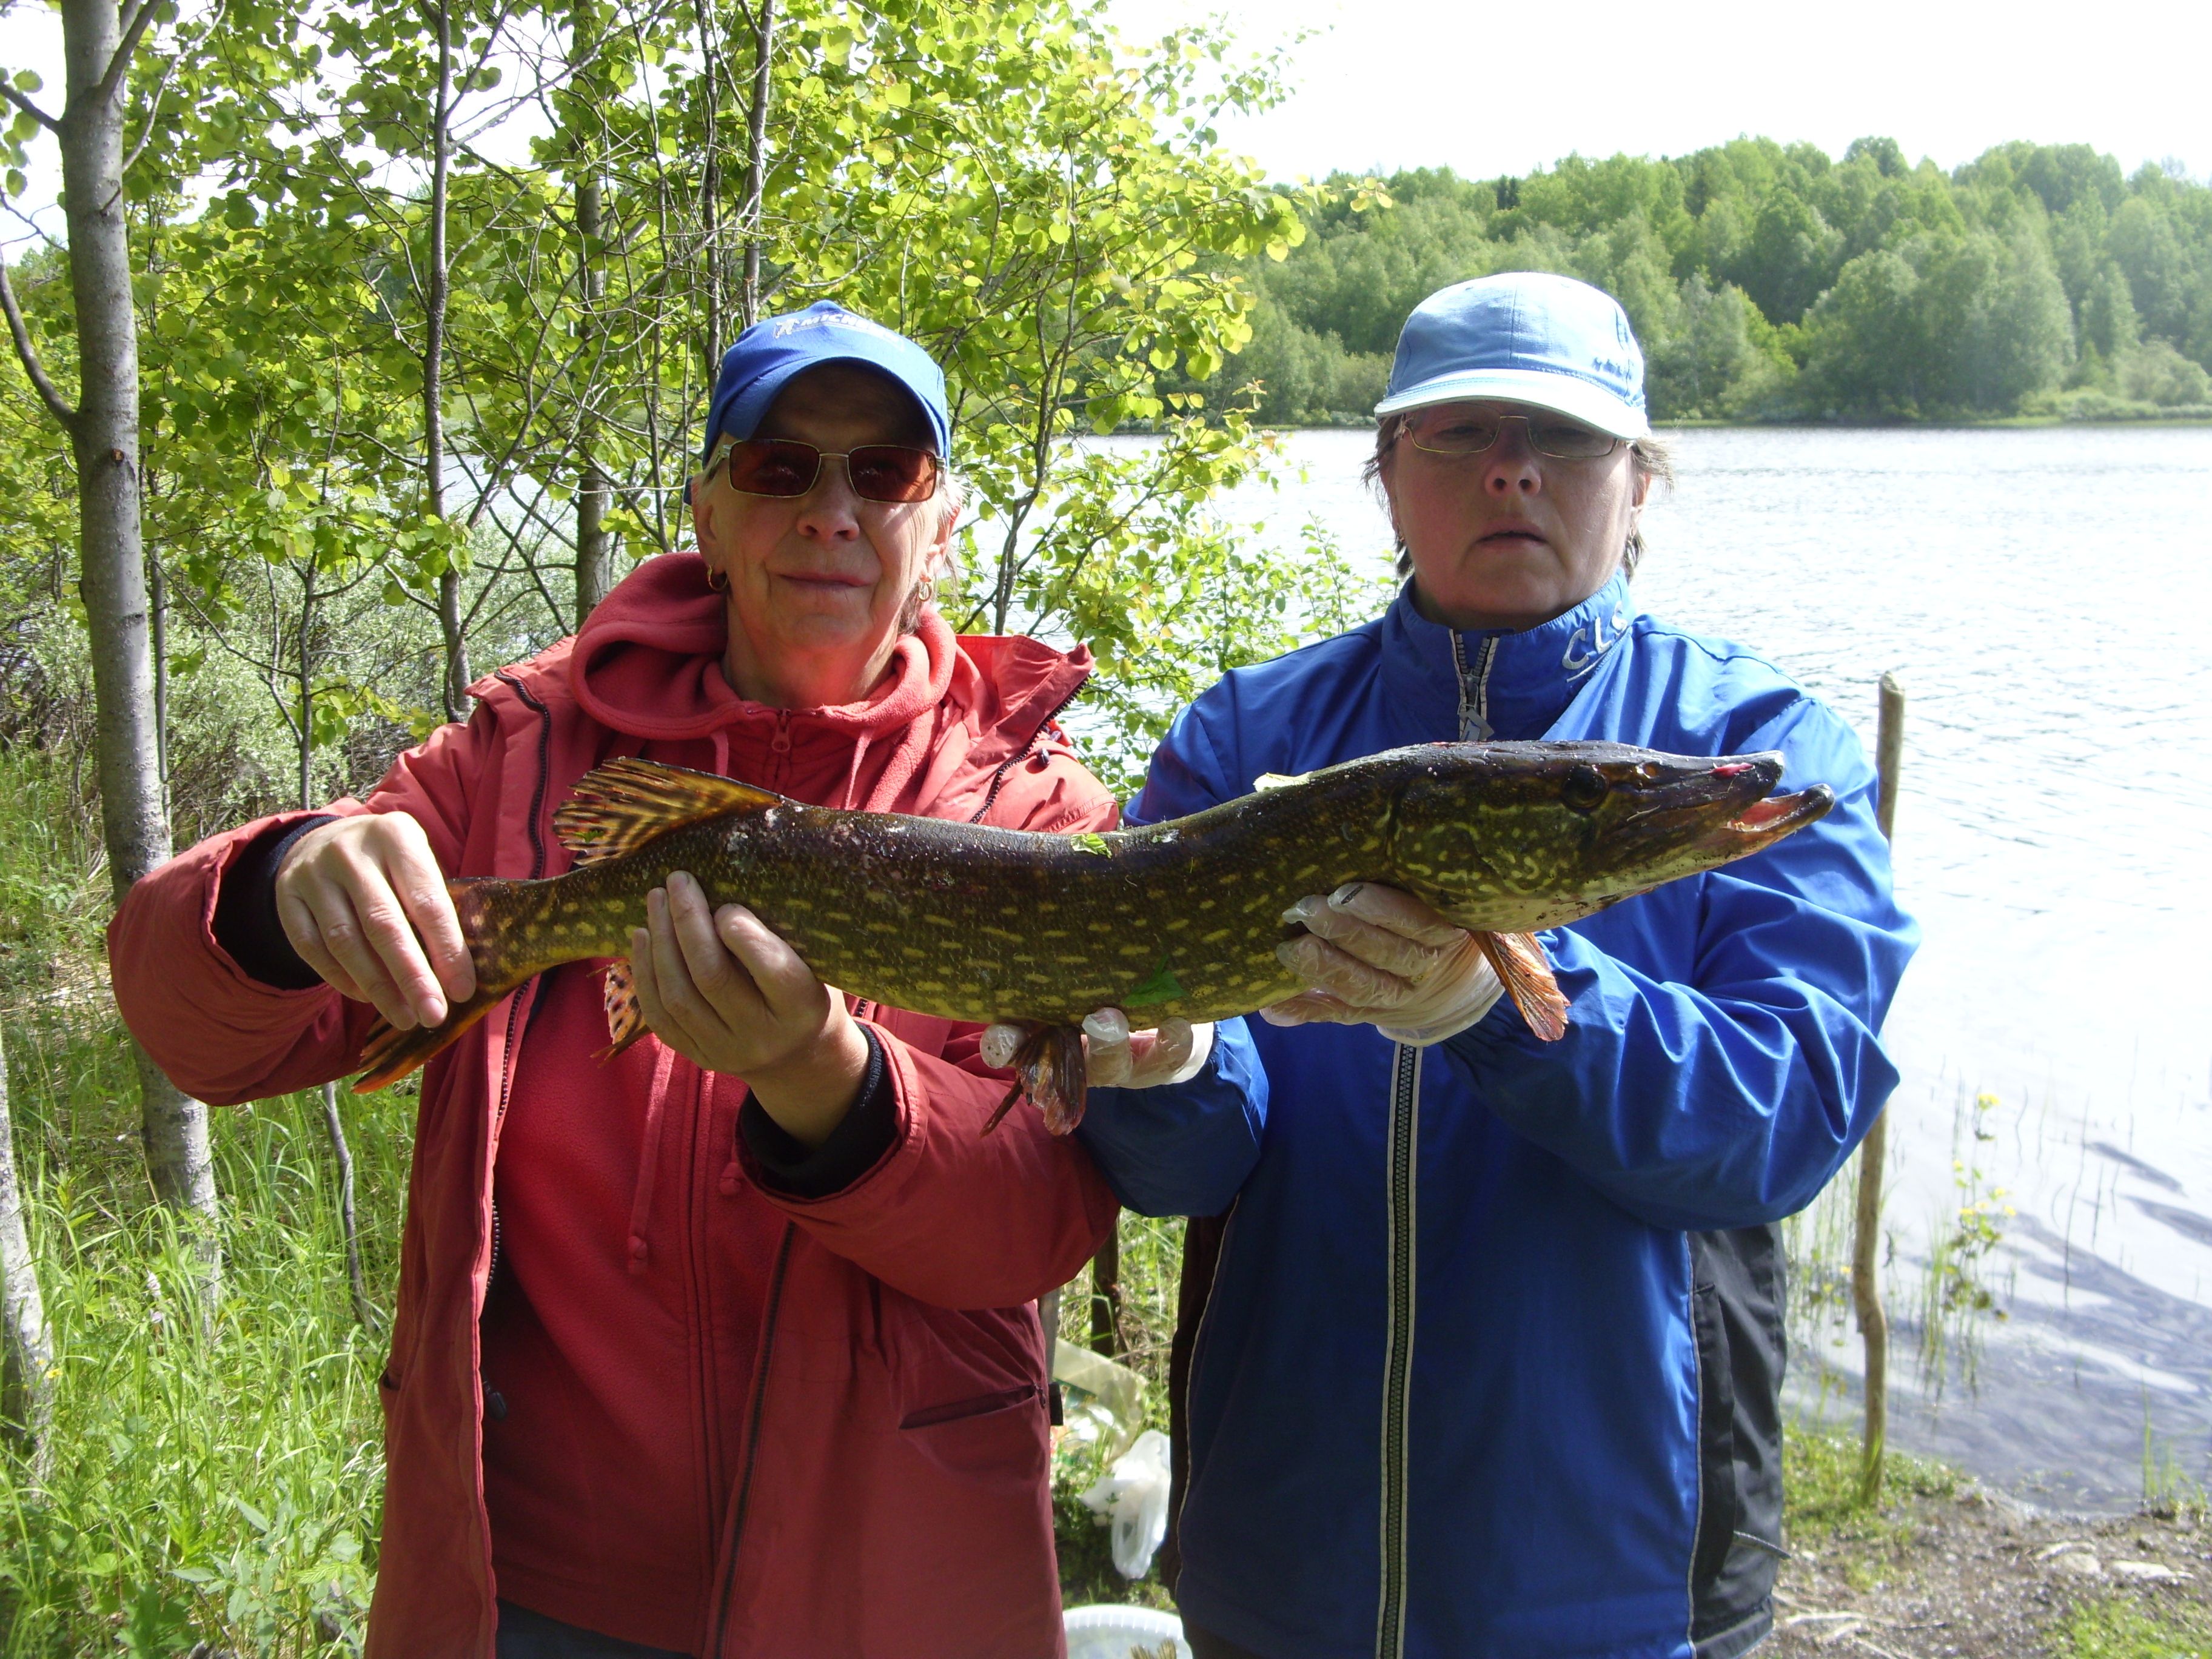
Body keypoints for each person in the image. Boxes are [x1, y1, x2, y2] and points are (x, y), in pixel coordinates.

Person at [108, 301, 1259, 1659]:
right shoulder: (521, 762)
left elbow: (1035, 1224)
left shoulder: (1033, 812)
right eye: (782, 466)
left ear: (936, 528)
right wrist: (275, 886)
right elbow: (207, 1039)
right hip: (531, 1589)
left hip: (888, 1592)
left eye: (882, 474)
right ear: (707, 514)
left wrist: (825, 1085)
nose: (833, 511)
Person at [1070, 272, 1919, 1659]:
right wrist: (1170, 1062)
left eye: (1567, 438)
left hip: (1620, 1587)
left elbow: (1787, 1119)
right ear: (1390, 475)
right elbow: (1175, 1174)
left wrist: (1509, 1006)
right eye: (1459, 433)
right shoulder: (1245, 738)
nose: (1513, 467)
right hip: (1284, 1566)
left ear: (1640, 481)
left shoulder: (1750, 750)